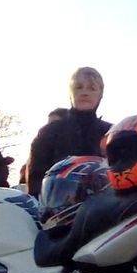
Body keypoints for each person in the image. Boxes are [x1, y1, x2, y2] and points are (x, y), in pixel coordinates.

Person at [27, 67, 112, 197]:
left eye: (92, 88)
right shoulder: (49, 133)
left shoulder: (112, 134)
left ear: (101, 94)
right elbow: (35, 181)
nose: (84, 92)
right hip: (57, 209)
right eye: (79, 87)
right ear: (70, 92)